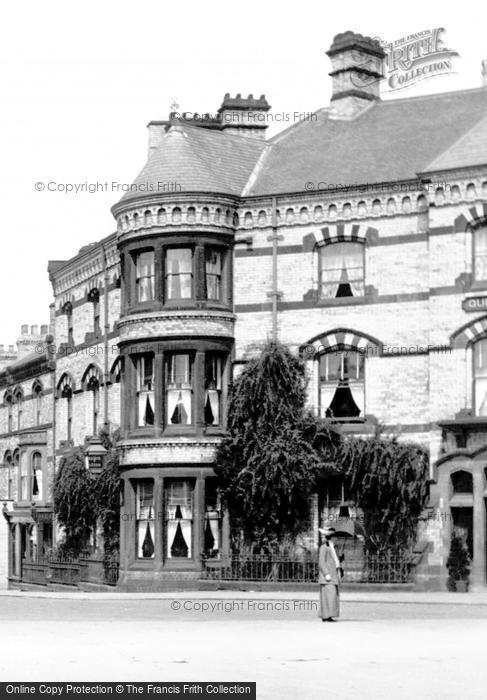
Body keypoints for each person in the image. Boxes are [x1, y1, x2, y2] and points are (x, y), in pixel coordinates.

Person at [318, 526, 342, 622]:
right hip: (327, 576)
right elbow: (321, 562)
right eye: (335, 537)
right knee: (328, 596)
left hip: (334, 575)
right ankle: (326, 616)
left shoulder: (334, 548)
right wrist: (326, 573)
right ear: (331, 537)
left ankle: (328, 615)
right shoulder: (324, 547)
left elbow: (334, 560)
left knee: (332, 596)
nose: (336, 538)